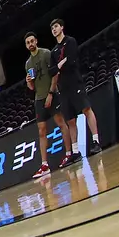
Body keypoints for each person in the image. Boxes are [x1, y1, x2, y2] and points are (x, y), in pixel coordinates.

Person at [51, 18, 102, 157]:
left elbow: (72, 60)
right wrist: (61, 64)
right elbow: (52, 71)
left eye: (56, 26)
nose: (54, 29)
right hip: (63, 88)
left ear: (62, 27)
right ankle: (75, 151)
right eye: (52, 28)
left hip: (75, 82)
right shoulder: (54, 51)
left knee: (86, 109)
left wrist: (60, 66)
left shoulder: (70, 41)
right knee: (70, 120)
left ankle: (96, 141)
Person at [25, 31, 73, 178]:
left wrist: (51, 94)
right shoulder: (28, 64)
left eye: (32, 41)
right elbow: (32, 88)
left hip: (51, 94)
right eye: (28, 43)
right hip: (39, 98)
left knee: (61, 123)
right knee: (41, 131)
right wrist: (29, 83)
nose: (30, 44)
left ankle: (69, 153)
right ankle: (44, 165)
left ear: (36, 41)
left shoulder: (46, 54)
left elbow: (55, 74)